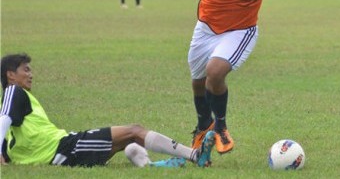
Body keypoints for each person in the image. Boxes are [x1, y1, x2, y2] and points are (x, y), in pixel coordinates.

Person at [0, 53, 215, 168]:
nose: (31, 74)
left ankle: (150, 167)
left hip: (63, 150)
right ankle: (196, 156)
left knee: (130, 143)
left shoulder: (15, 108)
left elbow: (9, 133)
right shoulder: (13, 92)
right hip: (65, 148)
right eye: (25, 70)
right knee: (134, 131)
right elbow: (5, 119)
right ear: (11, 75)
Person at [187, 0, 280, 154]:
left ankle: (220, 126)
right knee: (198, 82)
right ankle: (202, 125)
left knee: (214, 72)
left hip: (241, 29)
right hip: (207, 27)